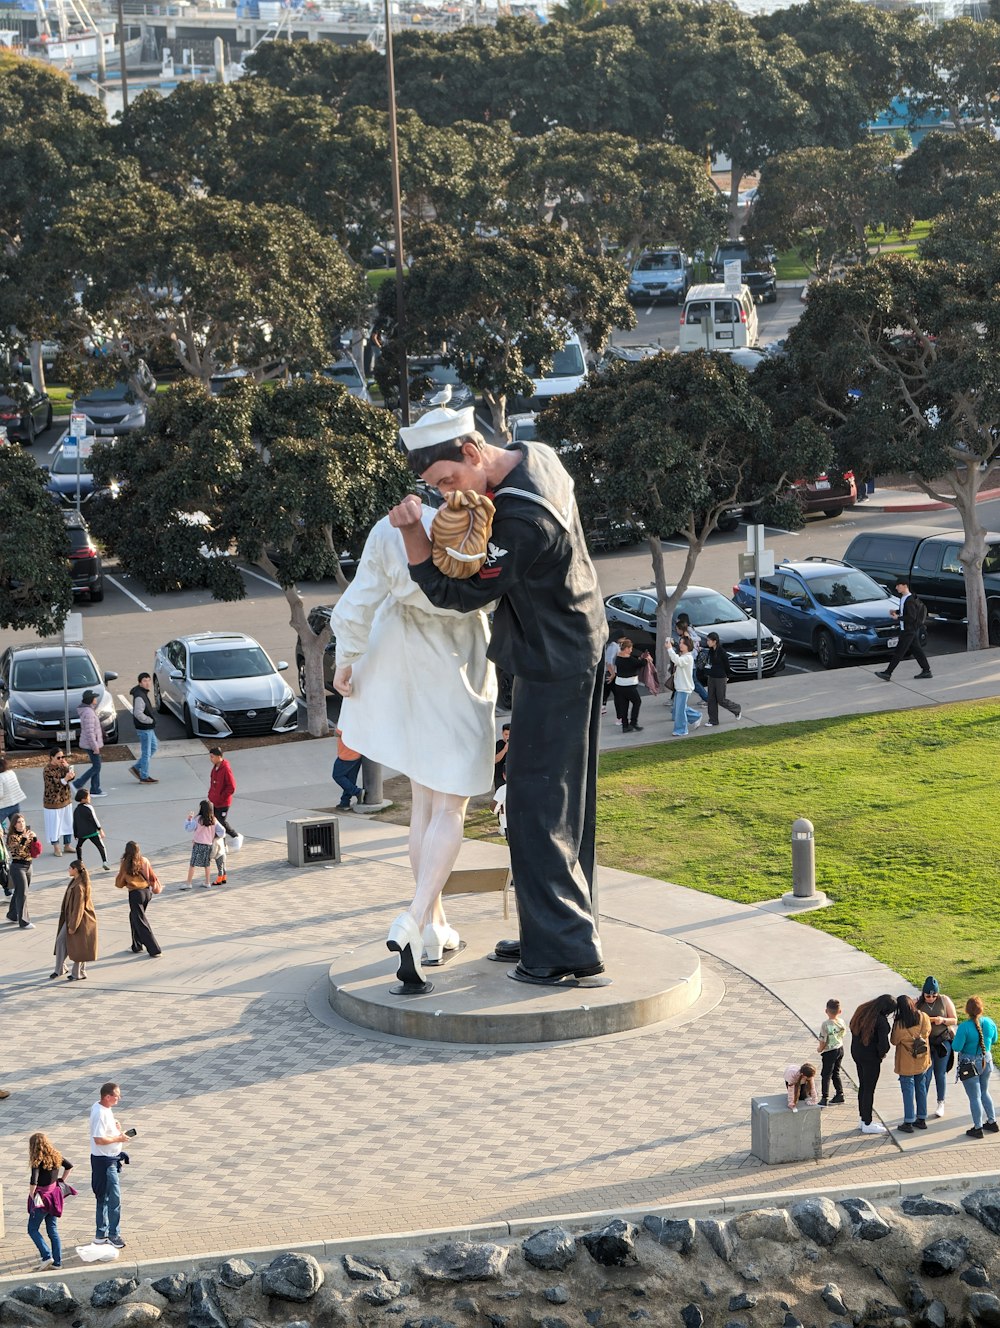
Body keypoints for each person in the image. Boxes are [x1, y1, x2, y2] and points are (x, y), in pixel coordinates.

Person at [388, 406, 607, 985]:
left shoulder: (522, 521)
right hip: (568, 647)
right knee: (565, 805)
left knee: (537, 809)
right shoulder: (535, 456)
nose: (444, 496)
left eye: (446, 481)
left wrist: (413, 534)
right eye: (434, 490)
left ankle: (562, 952)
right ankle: (557, 926)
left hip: (553, 661)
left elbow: (458, 595)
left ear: (471, 451)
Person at [332, 495, 496, 988]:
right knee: (449, 807)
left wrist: (347, 658)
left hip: (401, 661)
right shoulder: (480, 528)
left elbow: (359, 597)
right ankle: (413, 915)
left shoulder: (390, 528)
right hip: (457, 662)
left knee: (424, 805)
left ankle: (432, 927)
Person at [26, 1132, 74, 1270]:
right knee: (52, 1230)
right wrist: (62, 1180)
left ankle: (47, 1256)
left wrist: (31, 1195)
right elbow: (69, 1166)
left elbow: (34, 1181)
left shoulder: (37, 1160)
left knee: (32, 1228)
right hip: (54, 1196)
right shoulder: (56, 1155)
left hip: (41, 1197)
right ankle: (57, 1263)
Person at [850, 993, 896, 1135]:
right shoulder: (881, 1021)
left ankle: (862, 1118)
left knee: (863, 1086)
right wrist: (882, 1053)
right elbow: (884, 1045)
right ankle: (867, 1122)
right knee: (869, 1089)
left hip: (857, 1053)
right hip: (871, 1058)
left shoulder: (862, 1010)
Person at [953, 995, 998, 1139]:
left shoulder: (964, 1027)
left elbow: (956, 1047)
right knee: (985, 1092)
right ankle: (992, 1121)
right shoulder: (990, 1022)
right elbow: (995, 1039)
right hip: (987, 1060)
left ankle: (977, 1127)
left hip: (970, 1064)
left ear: (967, 1010)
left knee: (974, 1096)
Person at [89, 1081, 128, 1249]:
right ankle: (113, 1234)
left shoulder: (103, 1109)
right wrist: (119, 1138)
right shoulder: (100, 1113)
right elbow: (98, 1140)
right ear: (107, 1097)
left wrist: (116, 1127)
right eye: (116, 1095)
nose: (119, 1098)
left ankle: (101, 1234)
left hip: (106, 1160)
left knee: (103, 1198)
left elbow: (104, 1132)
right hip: (105, 1162)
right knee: (114, 1198)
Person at [890, 993, 932, 1132]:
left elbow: (894, 1041)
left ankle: (908, 1121)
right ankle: (922, 1118)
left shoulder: (899, 1023)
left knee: (907, 1090)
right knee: (921, 1087)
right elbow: (927, 1032)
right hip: (922, 1059)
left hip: (906, 1061)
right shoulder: (923, 1017)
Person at [917, 976, 958, 1119]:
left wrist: (943, 1020)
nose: (931, 998)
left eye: (934, 995)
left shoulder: (944, 1000)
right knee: (925, 1075)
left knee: (940, 1073)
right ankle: (922, 1105)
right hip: (926, 1042)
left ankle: (941, 1102)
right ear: (923, 994)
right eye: (928, 996)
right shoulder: (918, 1002)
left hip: (942, 1040)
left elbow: (954, 1019)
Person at [876, 580, 932, 681]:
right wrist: (896, 611)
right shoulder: (904, 598)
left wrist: (898, 617)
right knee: (917, 650)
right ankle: (926, 671)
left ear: (905, 586)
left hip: (908, 630)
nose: (896, 588)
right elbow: (905, 611)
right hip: (909, 630)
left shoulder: (909, 600)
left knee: (899, 652)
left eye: (898, 586)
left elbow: (911, 617)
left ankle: (888, 673)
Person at [114, 841, 162, 958]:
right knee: (134, 917)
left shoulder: (126, 863)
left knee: (140, 921)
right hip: (146, 892)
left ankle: (154, 949)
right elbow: (152, 876)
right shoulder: (144, 860)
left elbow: (120, 882)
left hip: (135, 894)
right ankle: (136, 945)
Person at [52, 859, 98, 981]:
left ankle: (79, 973)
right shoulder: (75, 881)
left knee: (80, 947)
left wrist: (73, 926)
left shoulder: (79, 886)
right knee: (61, 941)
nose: (68, 870)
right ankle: (60, 968)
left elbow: (79, 908)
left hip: (81, 921)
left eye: (70, 868)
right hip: (70, 918)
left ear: (75, 870)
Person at [182, 800, 225, 890]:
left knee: (192, 864)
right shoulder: (213, 819)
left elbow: (189, 828)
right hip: (208, 845)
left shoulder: (197, 819)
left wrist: (188, 820)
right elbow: (222, 831)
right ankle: (207, 882)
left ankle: (189, 883)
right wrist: (214, 836)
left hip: (197, 844)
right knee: (207, 864)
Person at [702, 632, 743, 728]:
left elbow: (727, 665)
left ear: (714, 641)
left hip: (720, 678)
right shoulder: (711, 651)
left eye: (709, 640)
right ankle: (713, 720)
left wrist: (727, 676)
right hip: (711, 677)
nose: (707, 642)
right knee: (711, 699)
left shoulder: (721, 652)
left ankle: (736, 709)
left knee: (721, 699)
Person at [6, 812, 39, 930]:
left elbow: (36, 852)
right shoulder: (12, 837)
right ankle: (24, 921)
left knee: (19, 892)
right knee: (23, 893)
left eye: (23, 821)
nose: (21, 824)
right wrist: (24, 840)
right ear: (14, 825)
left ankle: (12, 915)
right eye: (18, 822)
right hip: (17, 867)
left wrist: (34, 838)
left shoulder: (27, 834)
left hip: (28, 866)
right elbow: (17, 851)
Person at [609, 638, 649, 734]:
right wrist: (646, 659)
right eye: (630, 648)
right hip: (629, 685)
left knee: (624, 705)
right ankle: (633, 722)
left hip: (619, 685)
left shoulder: (618, 658)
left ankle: (625, 725)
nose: (631, 650)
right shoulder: (630, 660)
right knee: (637, 702)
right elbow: (641, 663)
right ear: (626, 648)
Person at [665, 636, 702, 738]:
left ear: (688, 645)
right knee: (679, 708)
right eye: (680, 642)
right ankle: (696, 716)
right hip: (680, 687)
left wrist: (669, 648)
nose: (681, 645)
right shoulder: (683, 656)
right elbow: (676, 659)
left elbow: (677, 661)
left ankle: (681, 730)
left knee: (680, 710)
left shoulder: (688, 658)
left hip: (684, 688)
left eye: (683, 643)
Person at [72, 690, 106, 798]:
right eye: (94, 697)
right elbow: (89, 731)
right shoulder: (88, 712)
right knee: (96, 766)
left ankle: (95, 789)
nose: (96, 699)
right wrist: (95, 747)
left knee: (97, 766)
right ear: (90, 700)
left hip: (91, 743)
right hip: (91, 744)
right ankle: (77, 784)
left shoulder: (89, 710)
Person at [43, 749, 76, 855]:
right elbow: (53, 786)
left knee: (68, 823)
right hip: (53, 803)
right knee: (55, 826)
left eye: (63, 757)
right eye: (58, 757)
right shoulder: (47, 770)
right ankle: (56, 847)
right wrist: (65, 779)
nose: (61, 759)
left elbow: (71, 777)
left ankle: (67, 845)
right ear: (51, 757)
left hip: (65, 799)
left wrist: (68, 768)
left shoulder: (62, 766)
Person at [128, 674, 159, 784]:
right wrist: (149, 720)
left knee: (154, 747)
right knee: (146, 753)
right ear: (140, 682)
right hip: (144, 728)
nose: (147, 683)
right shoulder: (139, 696)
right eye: (144, 681)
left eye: (148, 680)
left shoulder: (142, 693)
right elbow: (138, 713)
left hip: (148, 728)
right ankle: (144, 777)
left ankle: (137, 767)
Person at [817, 998, 847, 1106]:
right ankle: (840, 1094)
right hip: (840, 1048)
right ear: (840, 1011)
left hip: (829, 1051)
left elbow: (823, 1040)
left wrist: (820, 1049)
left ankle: (824, 1097)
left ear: (826, 1011)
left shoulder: (826, 1024)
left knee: (826, 1074)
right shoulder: (841, 1022)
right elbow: (843, 1034)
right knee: (836, 1073)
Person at [674, 614, 709, 706]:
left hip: (691, 659)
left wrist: (689, 638)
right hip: (690, 659)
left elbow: (698, 638)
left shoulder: (688, 631)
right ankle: (675, 700)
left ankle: (707, 698)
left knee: (693, 681)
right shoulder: (687, 631)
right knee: (686, 680)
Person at [207, 747, 241, 841]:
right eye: (210, 757)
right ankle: (222, 845)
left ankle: (236, 836)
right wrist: (210, 795)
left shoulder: (225, 769)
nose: (211, 759)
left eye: (212, 757)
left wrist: (221, 798)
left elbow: (232, 787)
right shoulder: (215, 768)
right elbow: (212, 784)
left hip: (223, 802)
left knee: (221, 822)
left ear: (219, 756)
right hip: (214, 801)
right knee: (215, 823)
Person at [73, 789, 109, 869]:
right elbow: (94, 819)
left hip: (81, 834)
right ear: (83, 799)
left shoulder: (76, 810)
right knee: (100, 846)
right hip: (92, 832)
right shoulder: (89, 807)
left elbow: (75, 822)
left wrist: (75, 833)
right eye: (88, 796)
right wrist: (100, 829)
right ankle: (105, 861)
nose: (90, 798)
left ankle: (80, 862)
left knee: (78, 846)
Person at [332, 727, 364, 811]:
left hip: (347, 754)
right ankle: (345, 802)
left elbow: (336, 733)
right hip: (357, 753)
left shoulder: (347, 720)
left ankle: (358, 792)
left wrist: (337, 727)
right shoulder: (358, 721)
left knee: (337, 775)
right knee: (350, 779)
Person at [0, 754, 27, 829]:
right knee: (17, 828)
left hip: (3, 807)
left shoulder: (0, 777)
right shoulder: (11, 773)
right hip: (15, 804)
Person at [602, 638, 623, 715]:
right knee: (617, 693)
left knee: (606, 690)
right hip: (611, 672)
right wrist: (612, 673)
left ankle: (602, 707)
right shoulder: (613, 646)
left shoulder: (614, 645)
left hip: (610, 671)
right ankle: (620, 715)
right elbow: (609, 661)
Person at [494, 723, 510, 790]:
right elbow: (495, 760)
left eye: (510, 734)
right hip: (500, 776)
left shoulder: (517, 745)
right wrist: (504, 750)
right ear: (502, 733)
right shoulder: (498, 744)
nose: (508, 737)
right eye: (506, 734)